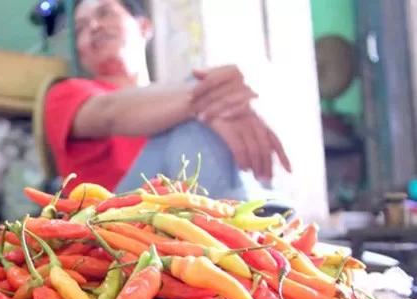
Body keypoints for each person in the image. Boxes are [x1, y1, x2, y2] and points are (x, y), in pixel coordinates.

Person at [44, 0, 291, 198]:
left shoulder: (176, 96)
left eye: (105, 13)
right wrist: (209, 97)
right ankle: (246, 231)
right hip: (110, 225)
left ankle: (246, 212)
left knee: (198, 102)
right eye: (81, 28)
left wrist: (211, 99)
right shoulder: (65, 92)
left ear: (144, 27)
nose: (94, 27)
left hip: (180, 210)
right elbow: (108, 113)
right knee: (196, 108)